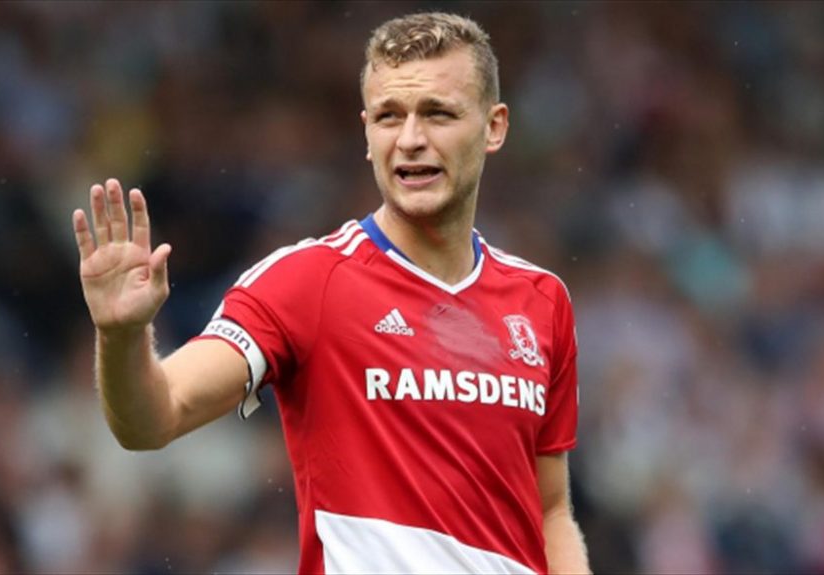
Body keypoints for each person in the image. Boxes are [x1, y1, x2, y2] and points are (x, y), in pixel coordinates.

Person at [72, 12, 590, 575]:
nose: (411, 139)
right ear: (367, 133)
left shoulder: (542, 301)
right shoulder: (306, 282)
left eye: (438, 114)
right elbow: (153, 419)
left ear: (494, 127)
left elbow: (550, 510)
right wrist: (121, 335)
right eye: (390, 117)